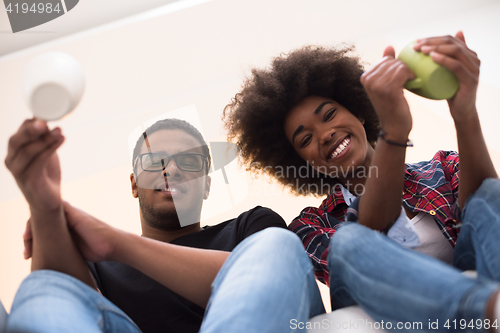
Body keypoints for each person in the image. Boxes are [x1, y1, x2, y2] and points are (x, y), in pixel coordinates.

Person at [223, 32, 500, 331]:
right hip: (389, 309)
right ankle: (486, 310)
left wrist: (464, 113)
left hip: (475, 272)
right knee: (349, 239)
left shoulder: (442, 168)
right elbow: (368, 234)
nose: (325, 134)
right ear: (302, 163)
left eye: (329, 115)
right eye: (306, 139)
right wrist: (394, 133)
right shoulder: (310, 225)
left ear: (359, 112)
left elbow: (485, 210)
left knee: (488, 194)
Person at [3, 117, 287, 333]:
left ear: (207, 186)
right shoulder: (99, 265)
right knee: (41, 288)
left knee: (278, 245)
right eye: (154, 161)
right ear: (134, 184)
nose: (171, 169)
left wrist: (118, 244)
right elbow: (54, 297)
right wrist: (44, 206)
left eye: (187, 161)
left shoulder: (249, 227)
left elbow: (273, 281)